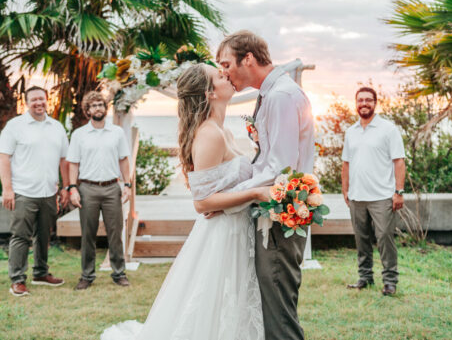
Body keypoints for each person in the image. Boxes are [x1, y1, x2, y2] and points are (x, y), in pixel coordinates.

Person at [101, 64, 271, 340]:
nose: (226, 75)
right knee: (212, 303)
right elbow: (202, 202)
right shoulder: (209, 134)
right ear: (209, 93)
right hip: (221, 234)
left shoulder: (222, 130)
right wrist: (256, 194)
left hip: (235, 230)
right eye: (219, 75)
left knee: (231, 302)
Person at [216, 30, 315, 340]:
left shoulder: (282, 96)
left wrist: (228, 197)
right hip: (273, 210)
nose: (224, 73)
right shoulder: (270, 93)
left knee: (278, 312)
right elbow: (268, 160)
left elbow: (280, 170)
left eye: (226, 64)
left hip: (279, 215)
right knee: (272, 305)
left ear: (248, 58)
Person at [0, 86, 69, 297]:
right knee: (21, 236)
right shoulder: (15, 126)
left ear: (47, 100)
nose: (38, 103)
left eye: (42, 99)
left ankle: (41, 273)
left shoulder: (56, 127)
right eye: (34, 100)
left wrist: (65, 187)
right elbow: (4, 159)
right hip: (23, 192)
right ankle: (18, 279)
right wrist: (8, 189)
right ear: (26, 102)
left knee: (44, 235)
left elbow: (63, 160)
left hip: (49, 192)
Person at [342, 87, 406, 296]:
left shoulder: (388, 129)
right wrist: (345, 190)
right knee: (362, 240)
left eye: (368, 100)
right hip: (357, 196)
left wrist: (399, 191)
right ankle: (365, 278)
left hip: (382, 197)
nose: (364, 104)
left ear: (375, 103)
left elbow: (399, 162)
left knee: (385, 239)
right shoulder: (351, 132)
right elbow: (346, 164)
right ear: (356, 103)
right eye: (360, 100)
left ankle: (389, 281)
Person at [66, 91, 131, 290]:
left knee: (115, 232)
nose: (97, 108)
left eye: (100, 105)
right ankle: (87, 275)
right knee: (88, 234)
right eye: (93, 106)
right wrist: (73, 188)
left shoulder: (117, 132)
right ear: (87, 111)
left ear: (105, 108)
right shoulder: (79, 135)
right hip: (87, 189)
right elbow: (73, 164)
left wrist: (127, 185)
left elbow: (123, 160)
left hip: (112, 188)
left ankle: (119, 273)